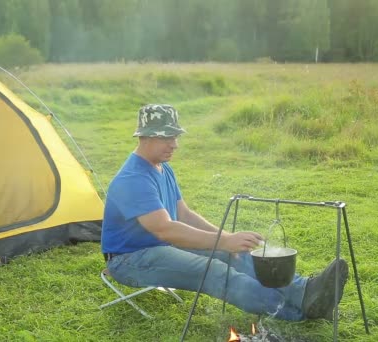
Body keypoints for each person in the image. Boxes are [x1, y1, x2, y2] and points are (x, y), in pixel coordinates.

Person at [101, 104, 349, 321]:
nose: (174, 144)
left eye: (175, 136)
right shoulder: (133, 178)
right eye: (167, 137)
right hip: (131, 259)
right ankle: (297, 311)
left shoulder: (162, 168)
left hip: (161, 247)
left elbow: (184, 214)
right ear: (145, 137)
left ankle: (305, 291)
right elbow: (165, 230)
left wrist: (228, 240)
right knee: (214, 271)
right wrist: (226, 241)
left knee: (234, 255)